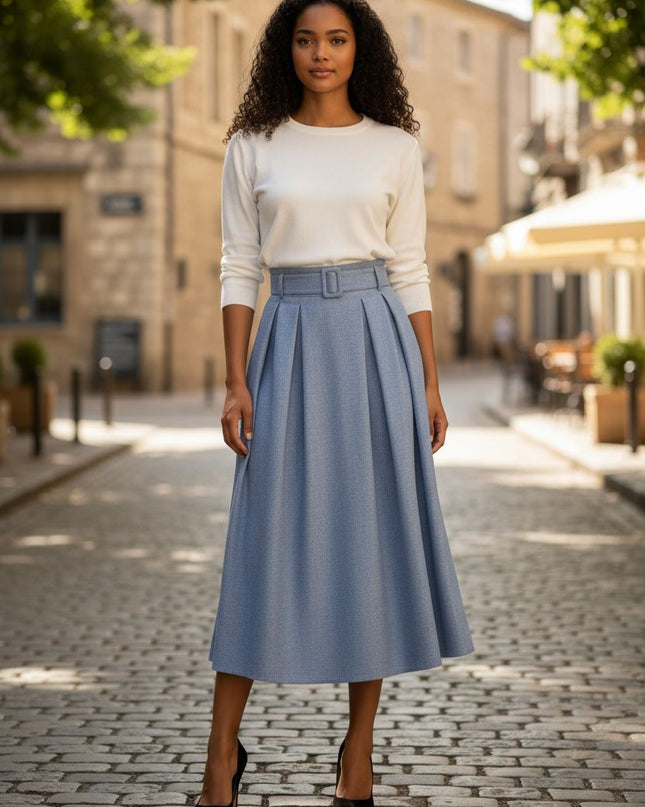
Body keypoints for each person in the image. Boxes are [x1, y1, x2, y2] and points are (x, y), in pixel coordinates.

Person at [196, 1, 475, 805]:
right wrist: (234, 377)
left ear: (361, 49)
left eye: (337, 39)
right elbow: (238, 264)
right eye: (307, 40)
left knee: (373, 543)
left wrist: (426, 381)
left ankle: (359, 753)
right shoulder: (252, 145)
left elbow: (411, 268)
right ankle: (221, 754)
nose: (321, 53)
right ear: (287, 51)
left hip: (375, 343)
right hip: (284, 342)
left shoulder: (394, 147)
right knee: (260, 543)